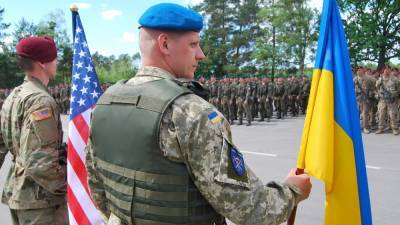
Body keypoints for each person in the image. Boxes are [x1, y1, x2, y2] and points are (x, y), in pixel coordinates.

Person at [86, 3, 312, 225]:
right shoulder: (190, 112)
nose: (201, 54)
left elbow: (97, 189)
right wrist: (292, 190)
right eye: (193, 44)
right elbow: (251, 210)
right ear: (164, 44)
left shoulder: (104, 104)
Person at [0, 37, 68, 225]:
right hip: (41, 202)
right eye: (54, 58)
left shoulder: (14, 95)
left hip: (20, 193)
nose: (57, 62)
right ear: (42, 63)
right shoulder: (40, 101)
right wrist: (69, 185)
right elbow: (40, 164)